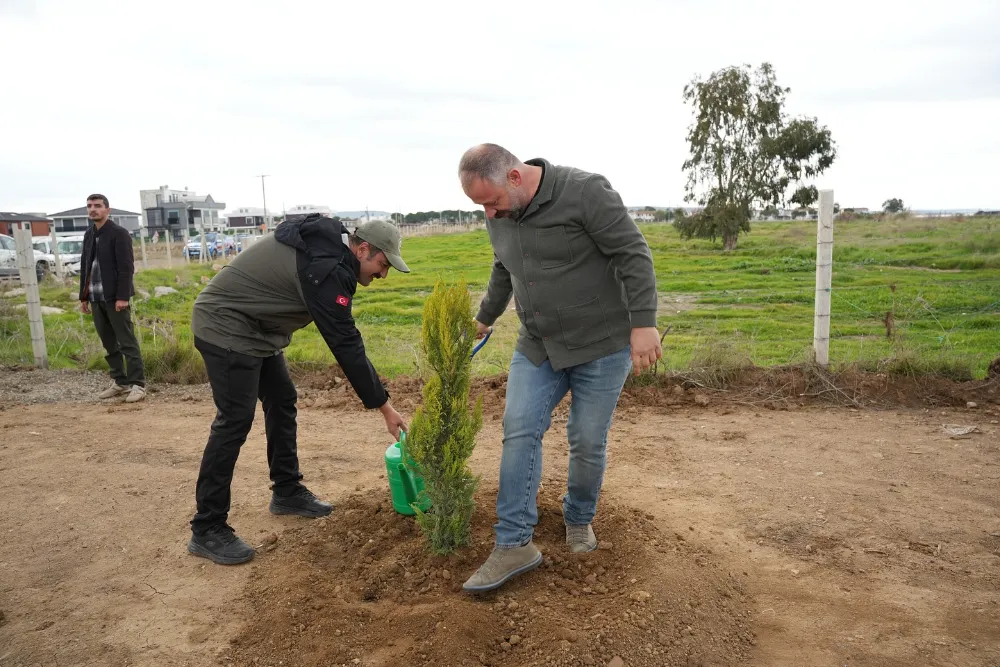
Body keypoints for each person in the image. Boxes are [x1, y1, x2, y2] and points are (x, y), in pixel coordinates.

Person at [457, 144, 662, 592]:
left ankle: (578, 518)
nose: (488, 214)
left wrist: (644, 324)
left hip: (603, 345)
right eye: (479, 207)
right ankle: (513, 542)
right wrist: (486, 316)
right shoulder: (499, 216)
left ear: (515, 176)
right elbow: (502, 268)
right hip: (539, 344)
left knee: (587, 440)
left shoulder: (585, 192)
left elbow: (632, 253)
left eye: (490, 202)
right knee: (519, 427)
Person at [186, 213, 410, 565]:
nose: (382, 274)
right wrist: (384, 406)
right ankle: (207, 527)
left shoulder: (331, 257)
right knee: (234, 420)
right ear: (363, 248)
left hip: (257, 330)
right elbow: (345, 343)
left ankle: (287, 491)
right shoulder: (327, 267)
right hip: (225, 324)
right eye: (382, 264)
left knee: (282, 398)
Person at [78, 194, 146, 403]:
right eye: (89, 206)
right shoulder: (89, 234)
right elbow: (85, 267)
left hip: (115, 298)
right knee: (109, 343)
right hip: (96, 298)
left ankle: (138, 385)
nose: (93, 209)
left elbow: (127, 267)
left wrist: (123, 296)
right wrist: (83, 297)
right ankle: (120, 381)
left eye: (97, 206)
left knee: (127, 342)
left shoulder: (119, 234)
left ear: (108, 210)